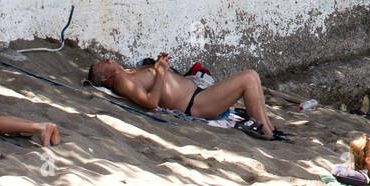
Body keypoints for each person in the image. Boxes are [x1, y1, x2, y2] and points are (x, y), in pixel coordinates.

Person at [86, 53, 276, 137]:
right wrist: (160, 71)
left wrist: (160, 65)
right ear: (104, 78)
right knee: (249, 78)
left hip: (199, 95)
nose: (103, 59)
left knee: (253, 78)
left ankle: (269, 129)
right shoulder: (121, 80)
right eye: (100, 64)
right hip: (195, 104)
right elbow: (151, 102)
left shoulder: (128, 73)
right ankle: (267, 134)